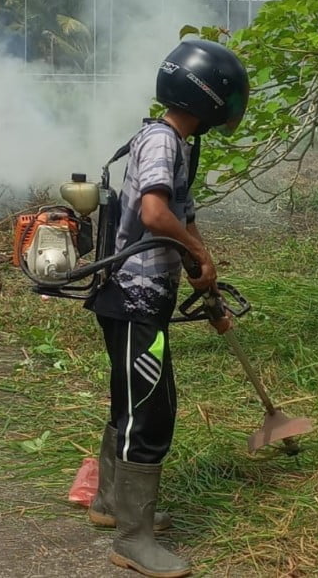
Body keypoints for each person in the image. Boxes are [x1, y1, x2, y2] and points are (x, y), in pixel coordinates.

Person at [84, 39, 249, 578]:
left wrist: (204, 264)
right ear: (209, 99)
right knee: (150, 411)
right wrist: (193, 249)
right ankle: (134, 538)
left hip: (141, 299)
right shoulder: (161, 140)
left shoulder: (175, 142)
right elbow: (156, 214)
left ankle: (111, 505)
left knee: (131, 399)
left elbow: (182, 212)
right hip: (134, 298)